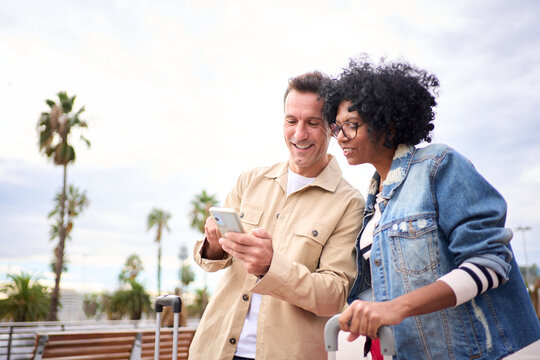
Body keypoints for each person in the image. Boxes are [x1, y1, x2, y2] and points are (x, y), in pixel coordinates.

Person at [322, 57, 540, 359]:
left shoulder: (439, 166)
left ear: (388, 123)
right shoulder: (372, 203)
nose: (340, 137)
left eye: (351, 125)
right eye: (337, 127)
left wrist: (395, 308)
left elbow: (490, 263)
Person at [188, 71, 365, 360]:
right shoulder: (249, 181)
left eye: (312, 123)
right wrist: (214, 245)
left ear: (332, 129)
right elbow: (211, 261)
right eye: (291, 121)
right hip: (214, 348)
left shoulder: (349, 203)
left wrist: (271, 266)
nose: (299, 134)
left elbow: (334, 295)